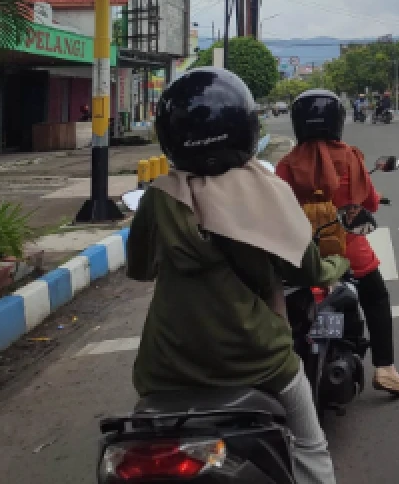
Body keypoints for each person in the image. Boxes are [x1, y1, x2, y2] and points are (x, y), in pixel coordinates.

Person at [127, 68, 341, 484]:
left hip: (164, 366)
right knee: (310, 445)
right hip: (258, 359)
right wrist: (339, 264)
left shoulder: (159, 196)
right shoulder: (265, 190)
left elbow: (139, 269)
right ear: (245, 126)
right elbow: (309, 267)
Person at [276, 89, 399, 397]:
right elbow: (371, 204)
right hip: (348, 253)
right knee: (376, 297)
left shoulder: (287, 164)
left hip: (300, 256)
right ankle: (386, 369)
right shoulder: (350, 158)